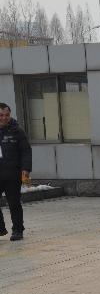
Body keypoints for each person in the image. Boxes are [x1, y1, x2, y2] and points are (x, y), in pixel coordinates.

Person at [0, 103, 32, 241]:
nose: (4, 118)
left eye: (6, 115)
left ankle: (18, 230)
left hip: (12, 174)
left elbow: (26, 152)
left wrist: (26, 170)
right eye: (1, 115)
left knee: (14, 203)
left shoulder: (17, 131)